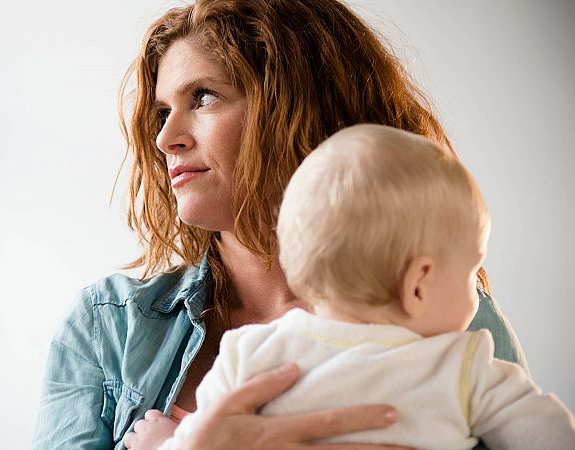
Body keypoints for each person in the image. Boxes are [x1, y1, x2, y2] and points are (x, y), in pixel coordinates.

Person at [34, 1, 527, 448]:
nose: (166, 138)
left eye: (203, 97)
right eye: (163, 111)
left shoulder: (456, 317)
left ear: (300, 106)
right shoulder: (106, 327)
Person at [133, 124, 575, 450]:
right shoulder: (462, 365)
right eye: (469, 271)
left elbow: (206, 438)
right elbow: (552, 437)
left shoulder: (248, 353)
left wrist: (165, 443)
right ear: (418, 284)